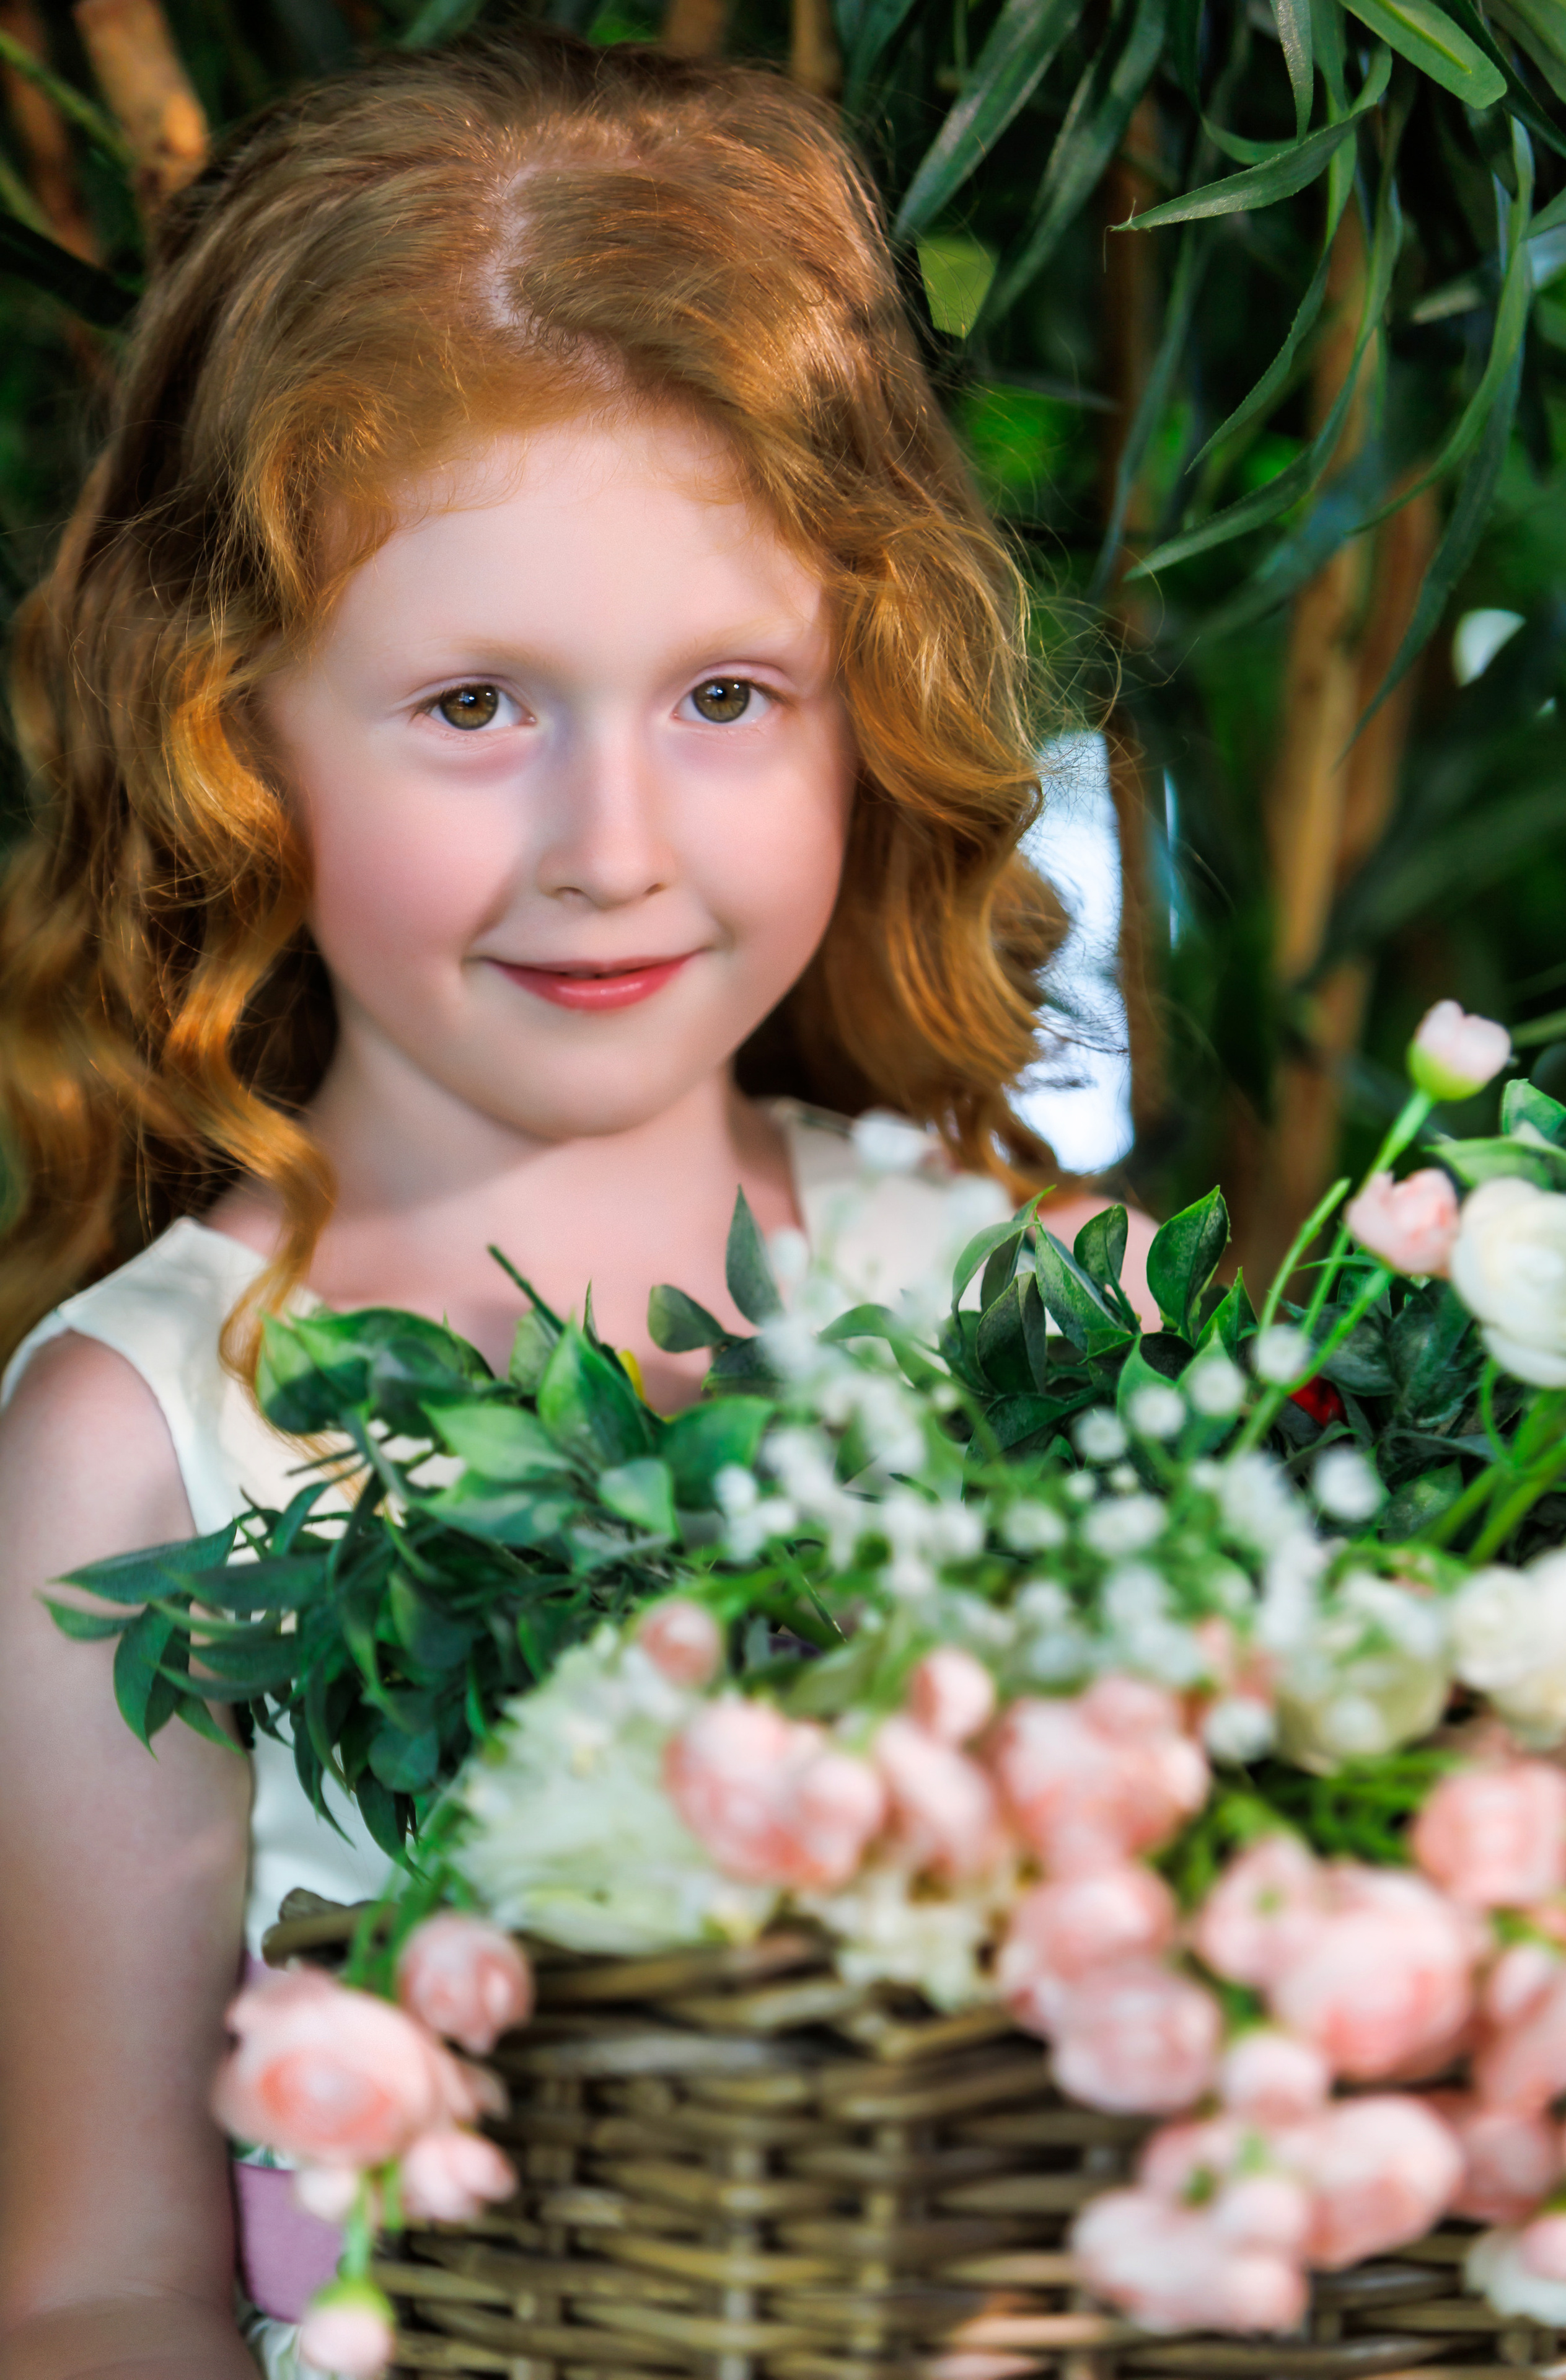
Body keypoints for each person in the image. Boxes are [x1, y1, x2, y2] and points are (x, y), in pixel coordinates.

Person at [0, 29, 1150, 2380]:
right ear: (228, 734)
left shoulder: (1045, 1311)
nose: (611, 848)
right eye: (474, 707)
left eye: (726, 697)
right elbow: (96, 2287)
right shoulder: (138, 1460)